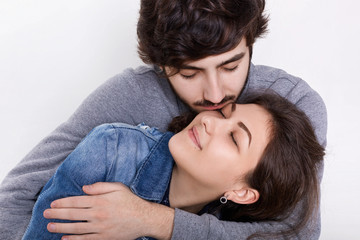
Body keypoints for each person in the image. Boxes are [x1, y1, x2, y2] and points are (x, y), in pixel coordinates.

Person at [0, 0, 328, 239]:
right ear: (159, 65)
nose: (215, 97)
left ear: (250, 44)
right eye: (189, 72)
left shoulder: (294, 105)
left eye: (230, 67)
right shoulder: (126, 103)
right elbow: (12, 201)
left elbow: (293, 234)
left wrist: (152, 220)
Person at [21, 93, 324, 240]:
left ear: (242, 193)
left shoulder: (219, 228)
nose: (208, 120)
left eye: (233, 137)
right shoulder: (111, 150)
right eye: (223, 113)